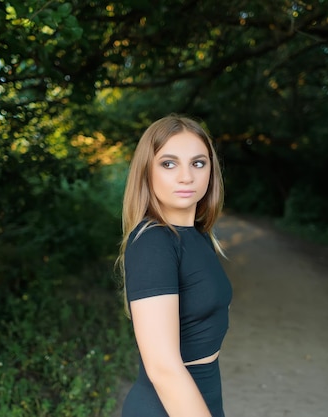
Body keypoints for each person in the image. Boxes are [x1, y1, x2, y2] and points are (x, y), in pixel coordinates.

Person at [116, 115, 232, 417]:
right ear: (147, 172)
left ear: (211, 171)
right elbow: (163, 368)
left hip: (202, 398)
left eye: (198, 163)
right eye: (169, 163)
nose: (186, 177)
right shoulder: (153, 242)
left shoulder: (199, 236)